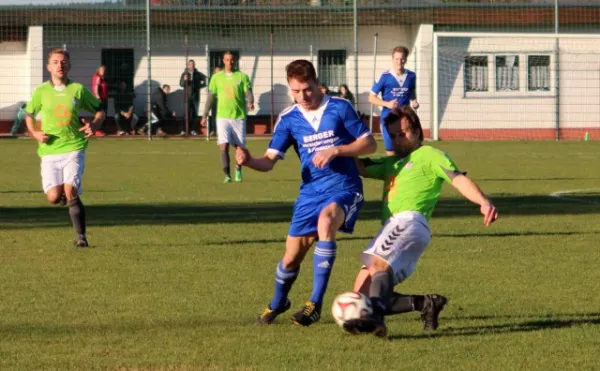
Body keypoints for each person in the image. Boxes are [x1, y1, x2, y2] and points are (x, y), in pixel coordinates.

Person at [236, 59, 377, 327]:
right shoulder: (289, 119)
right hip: (310, 193)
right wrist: (249, 161)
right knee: (290, 259)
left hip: (343, 187)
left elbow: (369, 143)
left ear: (317, 83)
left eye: (307, 90)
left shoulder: (339, 107)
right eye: (296, 91)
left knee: (327, 220)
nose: (302, 96)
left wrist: (337, 150)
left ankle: (315, 303)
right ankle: (278, 303)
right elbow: (268, 160)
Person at [342, 106, 498, 338]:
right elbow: (359, 167)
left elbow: (457, 179)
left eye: (402, 133)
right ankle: (425, 303)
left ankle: (377, 318)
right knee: (360, 296)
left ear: (417, 132)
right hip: (392, 228)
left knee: (377, 267)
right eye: (392, 135)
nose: (397, 140)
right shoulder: (391, 164)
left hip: (409, 222)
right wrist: (341, 143)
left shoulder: (430, 155)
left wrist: (483, 202)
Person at [24, 48, 104, 247]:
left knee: (71, 191)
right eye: (56, 62)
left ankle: (81, 237)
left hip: (73, 147)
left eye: (63, 62)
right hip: (49, 151)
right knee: (53, 197)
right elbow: (29, 114)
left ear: (69, 65)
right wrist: (34, 133)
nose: (60, 65)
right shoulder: (41, 91)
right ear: (48, 66)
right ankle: (60, 196)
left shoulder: (77, 89)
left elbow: (100, 109)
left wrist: (94, 124)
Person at [201, 52, 253, 183]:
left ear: (235, 61)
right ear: (223, 61)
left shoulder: (242, 77)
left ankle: (238, 169)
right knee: (223, 145)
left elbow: (248, 92)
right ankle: (227, 175)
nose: (230, 62)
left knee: (239, 147)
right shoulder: (216, 78)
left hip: (238, 116)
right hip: (222, 117)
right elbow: (210, 97)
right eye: (227, 60)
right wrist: (204, 115)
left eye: (232, 60)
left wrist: (250, 101)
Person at [369, 46, 419, 156]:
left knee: (407, 150)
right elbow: (371, 98)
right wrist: (387, 104)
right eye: (396, 59)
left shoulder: (411, 76)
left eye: (402, 59)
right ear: (392, 59)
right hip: (389, 119)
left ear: (405, 59)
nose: (399, 62)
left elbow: (411, 91)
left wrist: (414, 101)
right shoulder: (384, 76)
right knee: (391, 152)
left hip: (404, 119)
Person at [179, 59, 207, 136]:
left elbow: (207, 80)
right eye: (190, 64)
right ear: (188, 65)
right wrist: (184, 80)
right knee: (186, 114)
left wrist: (199, 86)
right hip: (187, 97)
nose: (192, 66)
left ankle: (193, 130)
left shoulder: (198, 74)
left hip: (195, 97)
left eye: (193, 64)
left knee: (195, 115)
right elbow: (181, 84)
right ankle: (183, 130)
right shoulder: (185, 74)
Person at [91, 64, 108, 136]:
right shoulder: (97, 77)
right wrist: (98, 98)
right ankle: (94, 129)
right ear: (98, 70)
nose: (103, 71)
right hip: (99, 100)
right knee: (99, 115)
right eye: (101, 70)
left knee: (103, 115)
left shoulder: (103, 78)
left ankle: (96, 129)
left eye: (104, 70)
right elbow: (95, 88)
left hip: (104, 99)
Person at [207, 66, 221, 137]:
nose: (218, 71)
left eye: (219, 70)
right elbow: (210, 89)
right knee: (214, 115)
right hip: (214, 99)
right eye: (217, 70)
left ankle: (220, 131)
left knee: (221, 116)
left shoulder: (223, 78)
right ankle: (213, 130)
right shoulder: (212, 79)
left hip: (222, 100)